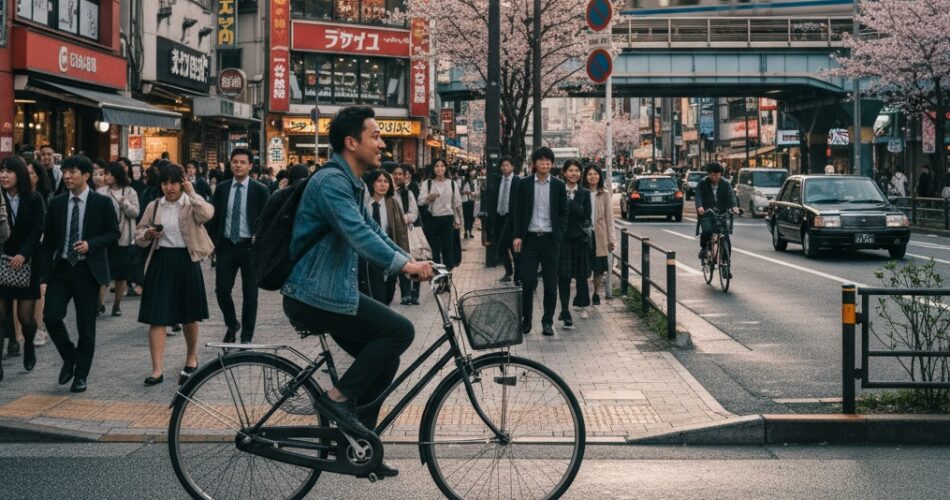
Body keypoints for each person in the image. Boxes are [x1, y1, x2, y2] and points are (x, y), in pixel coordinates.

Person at [281, 105, 433, 479]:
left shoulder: (351, 183)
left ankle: (357, 446)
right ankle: (337, 401)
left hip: (331, 292)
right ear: (351, 142)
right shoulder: (331, 183)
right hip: (313, 295)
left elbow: (376, 233)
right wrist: (403, 267)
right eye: (375, 136)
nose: (382, 143)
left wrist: (409, 260)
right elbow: (358, 234)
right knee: (401, 331)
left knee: (385, 359)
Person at [42, 155, 120, 393]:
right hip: (62, 269)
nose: (66, 176)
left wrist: (91, 244)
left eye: (72, 172)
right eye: (64, 171)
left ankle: (81, 376)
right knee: (51, 317)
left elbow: (113, 233)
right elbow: (49, 242)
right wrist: (43, 276)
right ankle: (69, 356)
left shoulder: (101, 203)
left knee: (86, 327)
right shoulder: (57, 203)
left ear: (85, 175)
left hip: (88, 271)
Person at [135, 163, 214, 386]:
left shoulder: (190, 203)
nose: (168, 187)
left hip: (187, 260)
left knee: (189, 314)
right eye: (164, 183)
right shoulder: (154, 205)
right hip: (161, 261)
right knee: (156, 316)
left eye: (173, 182)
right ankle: (157, 369)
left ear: (182, 182)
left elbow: (208, 214)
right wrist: (148, 234)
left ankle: (191, 357)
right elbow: (139, 235)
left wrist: (192, 192)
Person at [206, 147, 270, 344]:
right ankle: (232, 323)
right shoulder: (223, 188)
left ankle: (246, 337)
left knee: (250, 294)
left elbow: (267, 220)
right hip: (226, 245)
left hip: (250, 248)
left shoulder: (260, 190)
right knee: (222, 290)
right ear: (230, 164)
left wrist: (259, 240)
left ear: (250, 166)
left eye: (243, 162)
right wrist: (212, 244)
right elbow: (214, 218)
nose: (238, 165)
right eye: (235, 162)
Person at [512, 147, 568, 337]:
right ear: (534, 164)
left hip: (551, 240)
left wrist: (559, 234)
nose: (544, 164)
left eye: (548, 161)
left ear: (552, 164)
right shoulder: (524, 184)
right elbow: (518, 211)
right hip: (530, 239)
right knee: (527, 281)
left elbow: (563, 212)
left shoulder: (559, 185)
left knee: (551, 284)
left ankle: (547, 321)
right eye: (541, 161)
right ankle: (526, 320)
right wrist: (517, 235)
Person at [361, 170, 410, 306]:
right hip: (369, 253)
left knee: (389, 292)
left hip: (388, 251)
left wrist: (405, 255)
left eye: (386, 181)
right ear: (372, 183)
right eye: (379, 181)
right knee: (376, 293)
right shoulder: (364, 203)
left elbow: (400, 232)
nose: (383, 185)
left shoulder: (392, 203)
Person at [97, 161, 140, 317]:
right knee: (103, 272)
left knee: (121, 274)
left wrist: (125, 203)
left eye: (108, 174)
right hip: (105, 237)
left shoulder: (129, 192)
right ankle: (99, 304)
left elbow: (135, 213)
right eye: (104, 174)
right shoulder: (101, 192)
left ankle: (116, 305)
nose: (105, 177)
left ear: (116, 176)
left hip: (124, 238)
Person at [557, 160, 592, 329]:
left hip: (580, 240)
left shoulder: (584, 193)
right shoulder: (557, 190)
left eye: (577, 171)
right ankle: (565, 310)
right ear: (564, 173)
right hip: (562, 240)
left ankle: (584, 305)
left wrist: (569, 203)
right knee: (563, 277)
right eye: (570, 170)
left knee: (581, 275)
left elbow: (586, 215)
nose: (574, 174)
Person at [25, 159, 51, 348]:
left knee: (40, 288)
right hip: (22, 248)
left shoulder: (45, 197)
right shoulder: (20, 195)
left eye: (31, 173)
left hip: (42, 247)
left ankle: (40, 327)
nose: (28, 177)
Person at [418, 159, 462, 269]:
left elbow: (457, 204)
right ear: (433, 168)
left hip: (448, 219)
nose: (439, 168)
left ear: (446, 168)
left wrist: (459, 220)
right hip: (431, 219)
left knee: (448, 249)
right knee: (434, 251)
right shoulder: (427, 183)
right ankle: (436, 277)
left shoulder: (452, 184)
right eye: (437, 166)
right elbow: (420, 201)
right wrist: (429, 198)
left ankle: (447, 279)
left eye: (442, 165)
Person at [694, 162, 739, 264]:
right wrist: (700, 206)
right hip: (707, 212)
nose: (715, 177)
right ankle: (704, 249)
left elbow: (731, 196)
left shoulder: (726, 183)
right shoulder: (702, 183)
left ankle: (726, 262)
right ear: (708, 174)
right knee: (707, 231)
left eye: (717, 175)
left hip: (722, 212)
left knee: (725, 237)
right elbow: (698, 196)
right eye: (712, 175)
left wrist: (734, 207)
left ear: (720, 174)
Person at [584, 163, 615, 306]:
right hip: (584, 234)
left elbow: (610, 218)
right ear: (585, 176)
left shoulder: (605, 193)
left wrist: (611, 239)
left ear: (599, 176)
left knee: (598, 268)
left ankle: (596, 292)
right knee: (584, 266)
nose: (593, 176)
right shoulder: (581, 192)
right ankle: (583, 292)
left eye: (595, 174)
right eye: (590, 174)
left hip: (600, 235)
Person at [484, 157, 519, 283]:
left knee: (514, 248)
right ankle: (508, 272)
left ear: (512, 167)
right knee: (502, 247)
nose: (505, 168)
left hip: (512, 219)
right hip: (499, 217)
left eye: (507, 165)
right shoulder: (498, 181)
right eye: (503, 165)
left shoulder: (518, 181)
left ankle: (518, 275)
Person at [392, 164, 420, 305]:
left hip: (405, 231)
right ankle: (405, 293)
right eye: (394, 174)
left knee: (411, 258)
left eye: (400, 174)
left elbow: (414, 212)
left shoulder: (407, 193)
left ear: (405, 176)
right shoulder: (387, 193)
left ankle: (414, 293)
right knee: (400, 261)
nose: (397, 177)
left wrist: (405, 218)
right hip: (391, 232)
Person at [460, 167, 480, 239]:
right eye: (472, 171)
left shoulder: (475, 181)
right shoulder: (464, 181)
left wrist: (475, 194)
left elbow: (477, 190)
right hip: (465, 201)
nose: (473, 173)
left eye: (474, 171)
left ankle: (470, 231)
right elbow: (460, 192)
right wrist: (468, 193)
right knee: (466, 217)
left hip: (472, 201)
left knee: (471, 217)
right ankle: (465, 232)